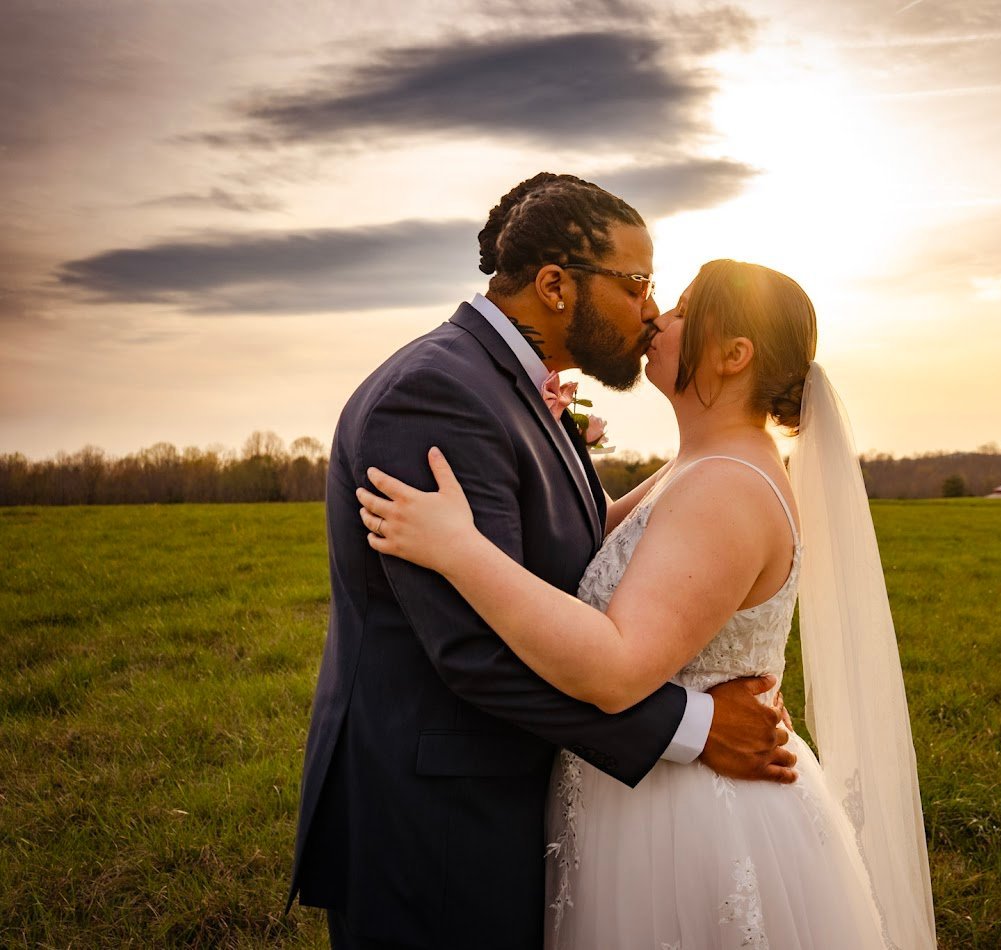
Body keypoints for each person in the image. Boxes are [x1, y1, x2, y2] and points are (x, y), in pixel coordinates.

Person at [358, 259, 938, 948]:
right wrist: (548, 437)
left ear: (733, 355)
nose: (658, 315)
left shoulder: (727, 486)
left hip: (689, 824)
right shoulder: (702, 464)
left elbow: (617, 666)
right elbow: (601, 544)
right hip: (645, 790)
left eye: (686, 308)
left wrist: (458, 548)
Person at [289, 175, 797, 949]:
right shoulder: (435, 393)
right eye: (638, 286)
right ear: (557, 286)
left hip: (506, 801)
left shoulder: (518, 390)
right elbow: (475, 649)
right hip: (434, 824)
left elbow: (578, 550)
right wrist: (692, 725)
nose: (652, 311)